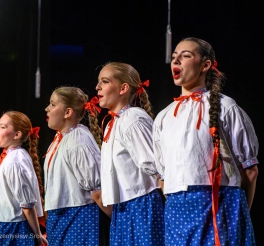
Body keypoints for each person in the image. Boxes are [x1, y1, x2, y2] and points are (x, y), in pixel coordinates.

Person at [153, 37, 258, 245]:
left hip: (219, 205)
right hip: (176, 209)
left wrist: (238, 213)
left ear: (205, 65)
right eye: (174, 57)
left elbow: (250, 170)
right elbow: (162, 175)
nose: (176, 61)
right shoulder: (163, 117)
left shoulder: (226, 108)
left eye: (185, 56)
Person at [94, 62, 165, 245]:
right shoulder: (112, 123)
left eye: (105, 81)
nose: (98, 87)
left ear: (123, 88)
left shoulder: (133, 118)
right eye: (98, 82)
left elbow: (156, 166)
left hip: (142, 204)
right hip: (124, 207)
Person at [44, 86, 102, 245]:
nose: (47, 109)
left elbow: (96, 188)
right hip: (61, 215)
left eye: (53, 104)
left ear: (67, 112)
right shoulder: (61, 138)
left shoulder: (78, 139)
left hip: (77, 215)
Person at [0, 111, 48, 246]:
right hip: (2, 227)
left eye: (2, 127)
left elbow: (27, 204)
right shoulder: (10, 157)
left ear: (17, 134)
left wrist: (37, 236)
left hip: (11, 230)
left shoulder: (15, 160)